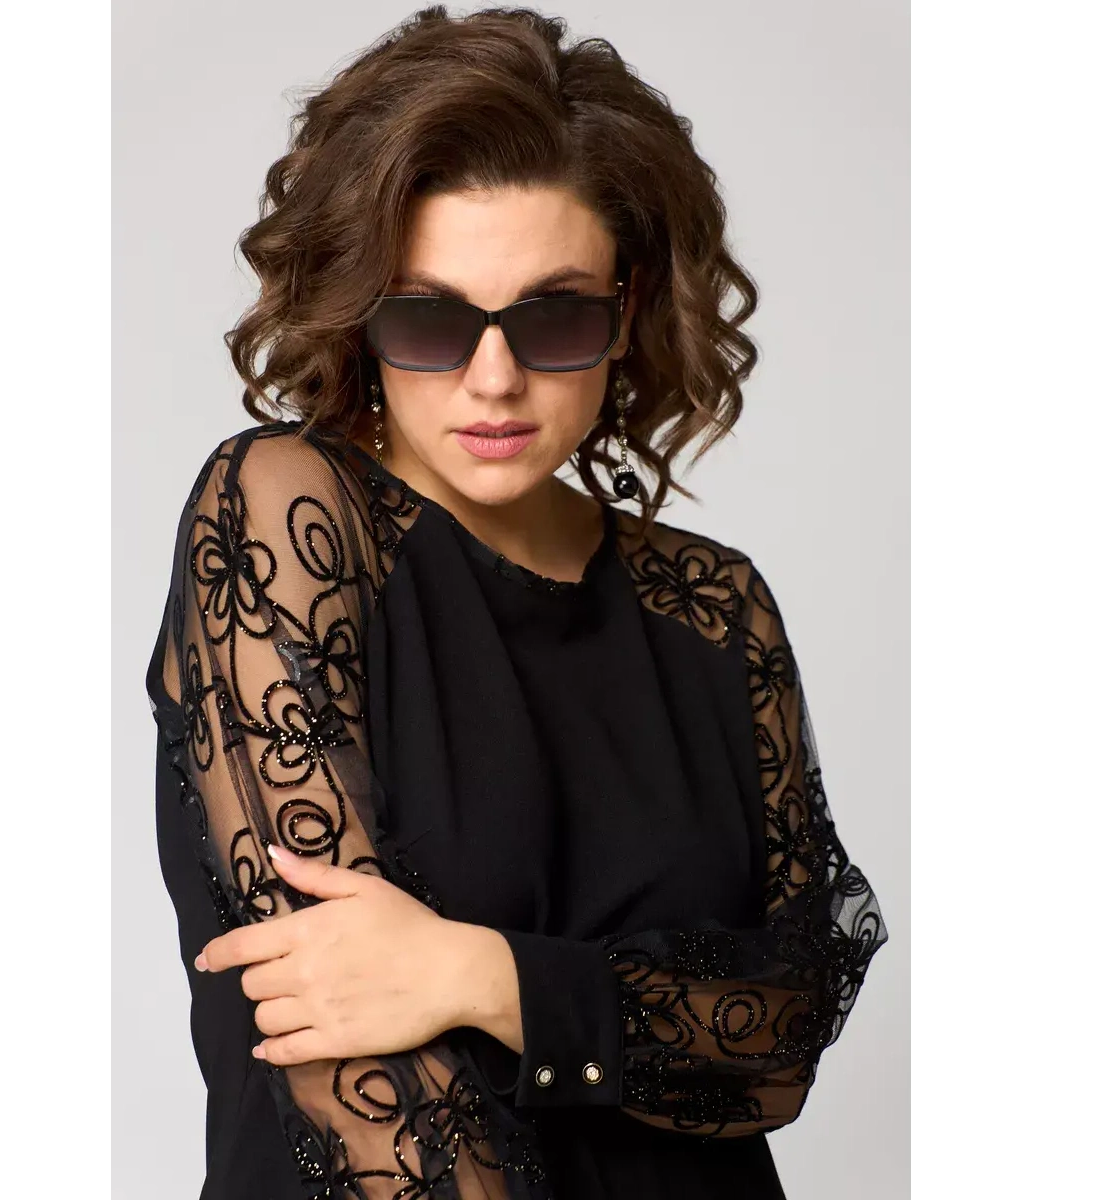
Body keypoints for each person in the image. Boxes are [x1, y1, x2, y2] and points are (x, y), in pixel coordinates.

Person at [144, 7, 889, 1198]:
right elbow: (340, 1042)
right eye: (429, 318)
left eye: (554, 317)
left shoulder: (716, 608)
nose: (494, 378)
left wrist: (485, 978)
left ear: (626, 311)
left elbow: (781, 1040)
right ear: (362, 318)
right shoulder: (285, 515)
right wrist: (616, 1016)